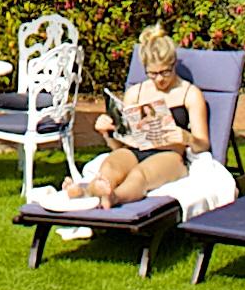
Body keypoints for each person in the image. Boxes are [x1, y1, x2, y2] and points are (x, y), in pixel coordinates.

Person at [55, 29, 211, 209]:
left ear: (174, 64)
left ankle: (113, 197)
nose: (159, 79)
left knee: (139, 175)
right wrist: (107, 133)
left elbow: (203, 144)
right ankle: (86, 192)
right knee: (110, 166)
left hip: (170, 156)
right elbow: (121, 145)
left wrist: (186, 137)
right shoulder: (135, 93)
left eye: (165, 72)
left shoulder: (189, 94)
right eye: (152, 73)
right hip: (135, 150)